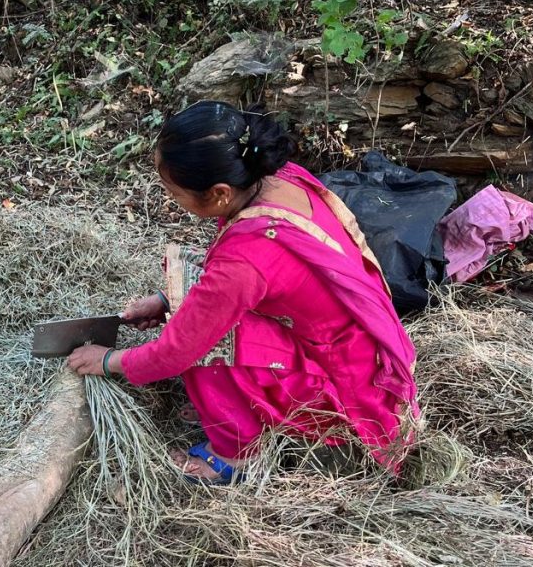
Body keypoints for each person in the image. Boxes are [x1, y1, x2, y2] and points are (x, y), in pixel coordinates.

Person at [67, 100, 420, 484]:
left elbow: (174, 353)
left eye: (174, 192)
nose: (172, 200)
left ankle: (234, 453)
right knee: (188, 294)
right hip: (355, 350)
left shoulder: (246, 257)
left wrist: (108, 360)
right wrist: (166, 300)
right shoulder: (276, 178)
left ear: (219, 193)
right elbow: (250, 280)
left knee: (202, 341)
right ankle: (246, 402)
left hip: (342, 391)